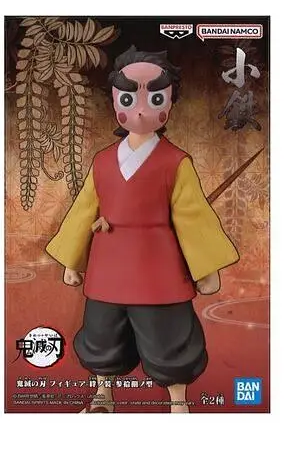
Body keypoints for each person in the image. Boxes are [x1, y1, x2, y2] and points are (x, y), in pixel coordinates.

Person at [46, 46, 239, 413]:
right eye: (128, 97)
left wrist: (207, 268)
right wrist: (72, 260)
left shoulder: (175, 162)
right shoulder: (103, 161)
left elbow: (193, 216)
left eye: (155, 98)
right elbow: (83, 212)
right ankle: (103, 395)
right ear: (114, 99)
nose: (140, 108)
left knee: (169, 337)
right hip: (108, 266)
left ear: (170, 100)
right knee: (103, 335)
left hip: (158, 268)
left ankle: (178, 402)